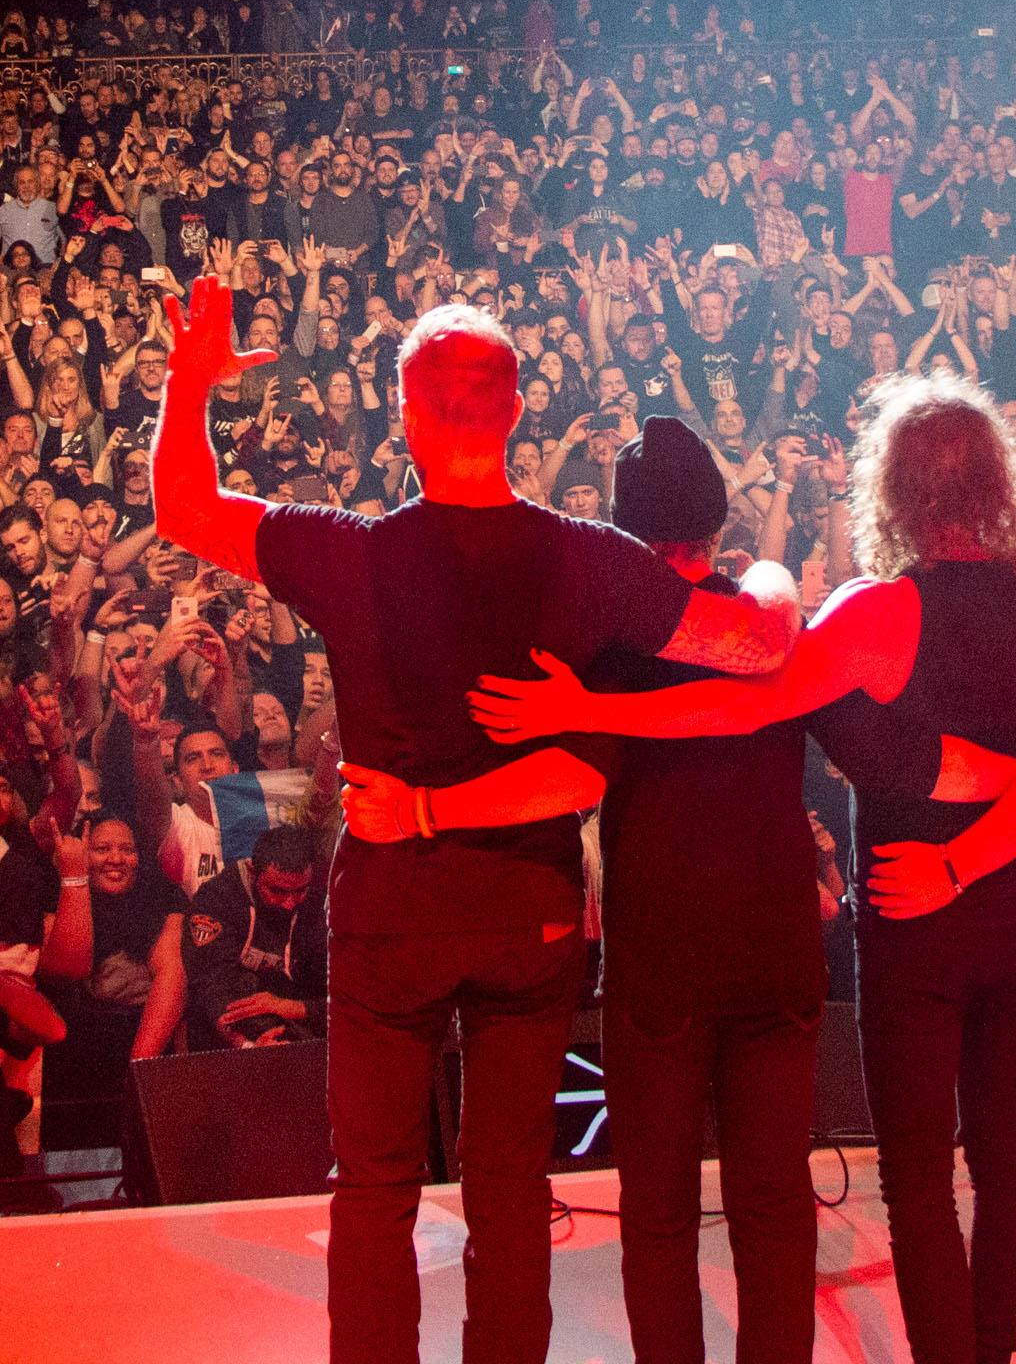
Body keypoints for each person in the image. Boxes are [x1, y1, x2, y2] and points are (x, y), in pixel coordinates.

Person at [473, 220, 1016, 1364]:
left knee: (916, 1175)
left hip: (911, 914)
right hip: (1013, 898)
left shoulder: (873, 614)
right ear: (997, 477)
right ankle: (993, 1347)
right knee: (1003, 1148)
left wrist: (596, 710)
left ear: (892, 489)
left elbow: (738, 704)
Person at [145, 277, 802, 1364]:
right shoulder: (592, 557)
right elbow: (756, 645)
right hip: (526, 915)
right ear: (517, 413)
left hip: (391, 912)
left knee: (373, 1191)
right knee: (509, 1187)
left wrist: (189, 378)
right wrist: (771, 577)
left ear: (404, 414)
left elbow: (182, 507)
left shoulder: (351, 549)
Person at [341, 415, 823, 1364]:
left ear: (623, 536)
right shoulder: (762, 624)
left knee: (659, 1215)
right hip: (776, 947)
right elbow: (777, 615)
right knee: (773, 1204)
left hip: (664, 960)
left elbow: (570, 781)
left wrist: (424, 810)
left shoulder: (608, 651)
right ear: (718, 525)